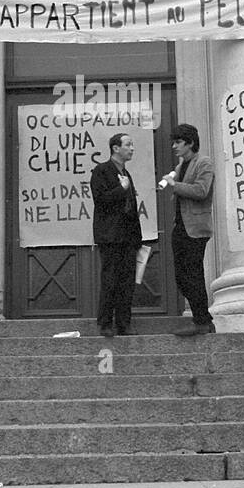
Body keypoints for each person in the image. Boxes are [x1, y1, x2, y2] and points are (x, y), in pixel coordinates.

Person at [160, 124, 216, 337]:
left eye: (178, 142)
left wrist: (174, 184)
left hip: (195, 228)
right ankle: (204, 320)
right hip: (181, 226)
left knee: (192, 275)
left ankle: (201, 321)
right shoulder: (183, 163)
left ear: (190, 143)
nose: (174, 146)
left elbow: (202, 190)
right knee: (182, 276)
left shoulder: (204, 162)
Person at [90, 132, 142, 338]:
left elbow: (131, 208)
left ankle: (124, 323)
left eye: (132, 144)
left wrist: (137, 239)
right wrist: (121, 189)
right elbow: (100, 200)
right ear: (115, 148)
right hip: (110, 236)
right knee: (110, 279)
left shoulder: (127, 174)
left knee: (127, 282)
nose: (132, 148)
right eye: (128, 145)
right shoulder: (101, 171)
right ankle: (105, 323)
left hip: (128, 238)